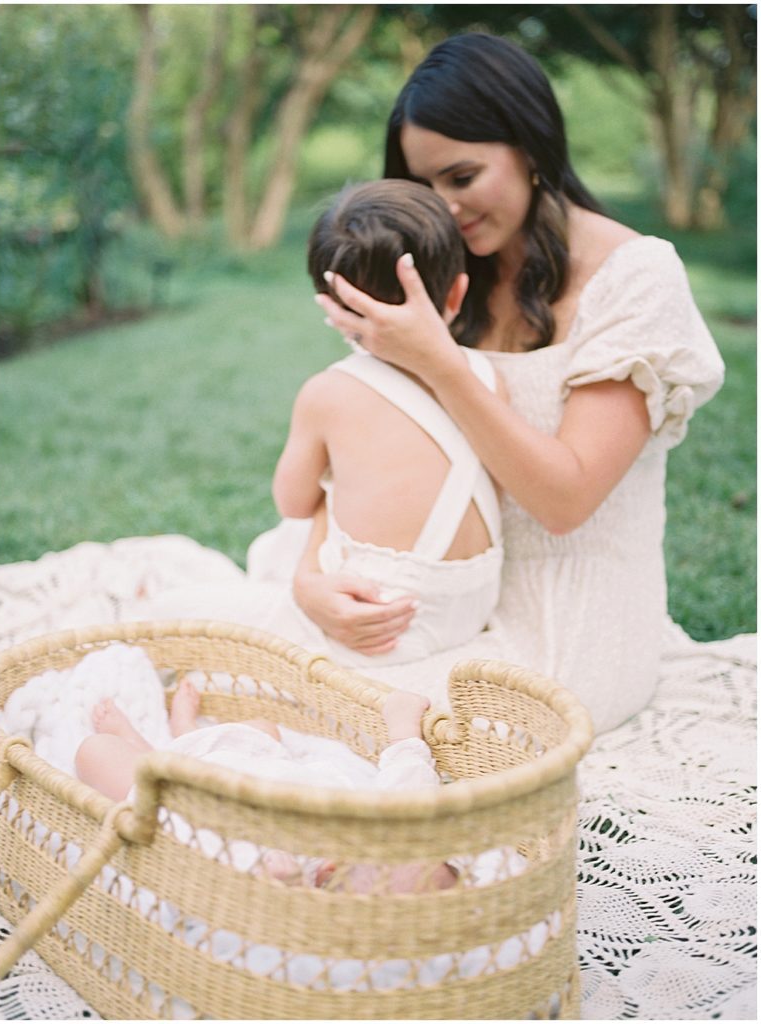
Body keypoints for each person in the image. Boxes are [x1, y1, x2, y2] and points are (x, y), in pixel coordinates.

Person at [301, 32, 726, 733]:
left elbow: (564, 499)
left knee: (358, 727)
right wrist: (312, 581)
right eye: (422, 187)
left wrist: (437, 361)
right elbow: (352, 447)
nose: (443, 209)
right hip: (432, 598)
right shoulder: (441, 275)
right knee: (253, 680)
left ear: (530, 151)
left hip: (566, 620)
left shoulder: (635, 277)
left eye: (461, 178)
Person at [129, 179, 505, 671]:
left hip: (369, 625)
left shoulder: (330, 394)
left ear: (332, 305)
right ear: (458, 290)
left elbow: (292, 502)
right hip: (466, 609)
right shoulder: (488, 377)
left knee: (163, 618)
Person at [74, 679, 457, 894]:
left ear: (323, 874)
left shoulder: (284, 875)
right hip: (248, 758)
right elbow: (409, 778)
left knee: (94, 753)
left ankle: (149, 745)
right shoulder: (382, 819)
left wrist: (285, 886)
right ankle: (184, 734)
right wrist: (402, 725)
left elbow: (242, 905)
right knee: (265, 728)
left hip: (179, 793)